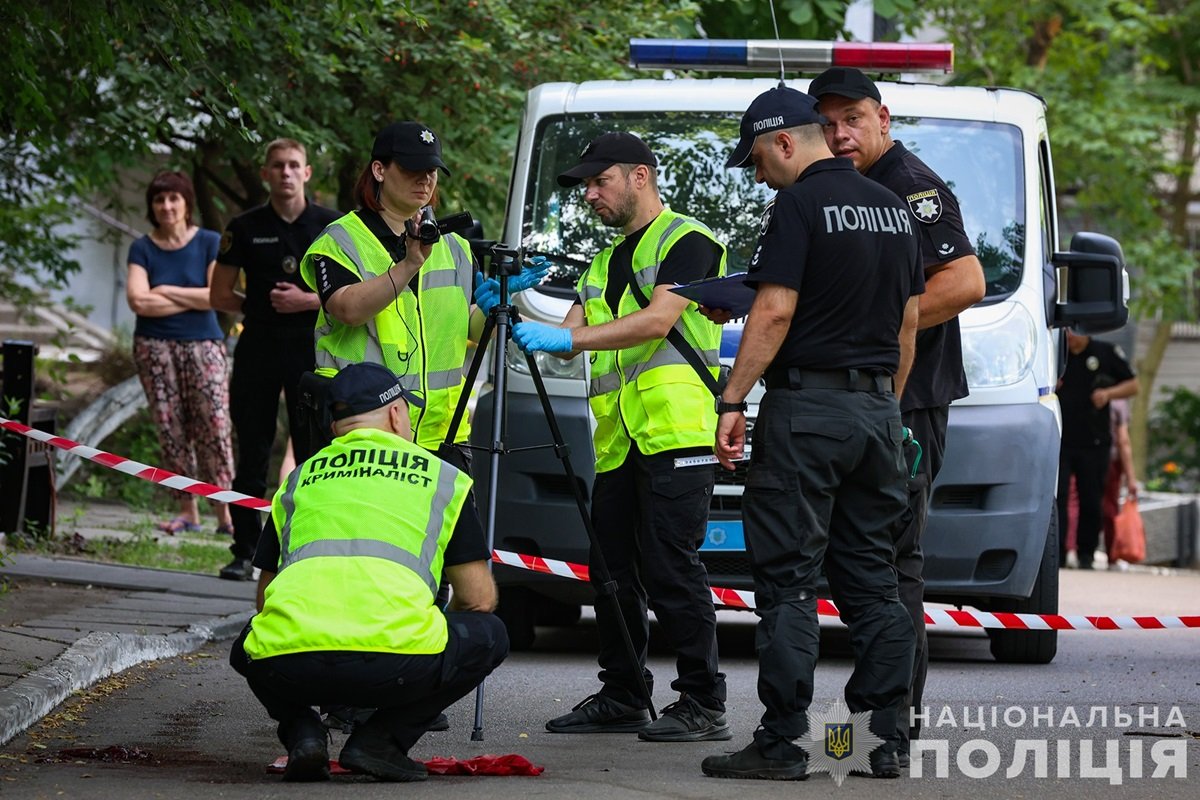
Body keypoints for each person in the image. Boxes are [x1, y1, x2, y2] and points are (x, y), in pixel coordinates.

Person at [698, 86, 921, 781]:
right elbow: (909, 323)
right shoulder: (892, 208)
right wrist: (886, 407)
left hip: (808, 416)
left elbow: (772, 312)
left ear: (787, 142)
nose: (761, 174)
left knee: (790, 582)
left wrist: (731, 398)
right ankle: (875, 740)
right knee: (873, 583)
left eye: (761, 159)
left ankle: (782, 743)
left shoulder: (795, 206)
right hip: (878, 416)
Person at [511, 132, 731, 742]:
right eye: (584, 185)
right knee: (608, 573)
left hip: (674, 432)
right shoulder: (604, 264)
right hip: (618, 442)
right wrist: (506, 310)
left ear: (640, 176)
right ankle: (625, 693)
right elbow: (562, 337)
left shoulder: (689, 241)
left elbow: (657, 321)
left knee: (670, 567)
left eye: (598, 180)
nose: (589, 194)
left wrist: (567, 340)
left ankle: (703, 703)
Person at [809, 66, 986, 763]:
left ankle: (894, 716)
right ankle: (880, 706)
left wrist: (882, 326)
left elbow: (966, 280)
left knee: (891, 561)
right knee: (859, 559)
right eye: (828, 124)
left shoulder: (912, 188)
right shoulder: (844, 190)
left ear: (883, 118)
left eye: (852, 118)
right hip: (858, 403)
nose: (840, 134)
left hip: (907, 404)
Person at [229, 362, 508, 783]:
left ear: (336, 425)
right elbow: (478, 599)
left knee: (249, 642)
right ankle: (382, 740)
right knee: (490, 634)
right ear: (396, 414)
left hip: (292, 665)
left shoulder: (299, 479)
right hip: (395, 666)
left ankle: (303, 733)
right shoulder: (442, 478)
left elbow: (266, 599)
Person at [298, 120, 546, 470]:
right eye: (413, 168)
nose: (425, 179)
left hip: (443, 434)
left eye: (432, 170)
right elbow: (346, 309)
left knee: (454, 526)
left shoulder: (456, 247)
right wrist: (409, 264)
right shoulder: (341, 240)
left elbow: (470, 331)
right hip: (365, 432)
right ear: (379, 170)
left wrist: (493, 310)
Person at [210, 138, 341, 581]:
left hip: (312, 347)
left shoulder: (332, 226)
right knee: (253, 450)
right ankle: (244, 549)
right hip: (260, 346)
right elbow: (220, 294)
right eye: (277, 166)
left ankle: (306, 546)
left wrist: (306, 301)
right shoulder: (245, 227)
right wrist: (261, 304)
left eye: (293, 166)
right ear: (265, 173)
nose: (285, 173)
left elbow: (355, 292)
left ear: (306, 174)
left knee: (314, 451)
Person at [126, 170, 234, 536]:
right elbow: (138, 300)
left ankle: (226, 515)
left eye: (174, 198)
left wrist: (165, 288)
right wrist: (192, 296)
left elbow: (215, 296)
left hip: (204, 345)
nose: (167, 206)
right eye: (159, 200)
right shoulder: (142, 248)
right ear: (152, 207)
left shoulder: (208, 241)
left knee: (214, 426)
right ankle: (187, 511)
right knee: (170, 429)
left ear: (186, 203)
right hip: (154, 348)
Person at [1057, 328, 1138, 569]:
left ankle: (1086, 553)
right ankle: (1059, 553)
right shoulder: (1057, 352)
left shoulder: (1105, 352)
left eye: (1075, 331)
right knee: (1058, 499)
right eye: (1067, 331)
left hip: (1095, 443)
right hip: (1061, 441)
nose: (1071, 336)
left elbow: (1133, 385)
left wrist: (1108, 394)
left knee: (1092, 500)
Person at [1102, 397, 1138, 568]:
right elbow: (1123, 440)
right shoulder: (1119, 404)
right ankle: (1112, 555)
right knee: (1110, 507)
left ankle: (1073, 550)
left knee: (1076, 502)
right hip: (1111, 461)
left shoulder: (1084, 395)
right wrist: (1131, 478)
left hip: (1079, 457)